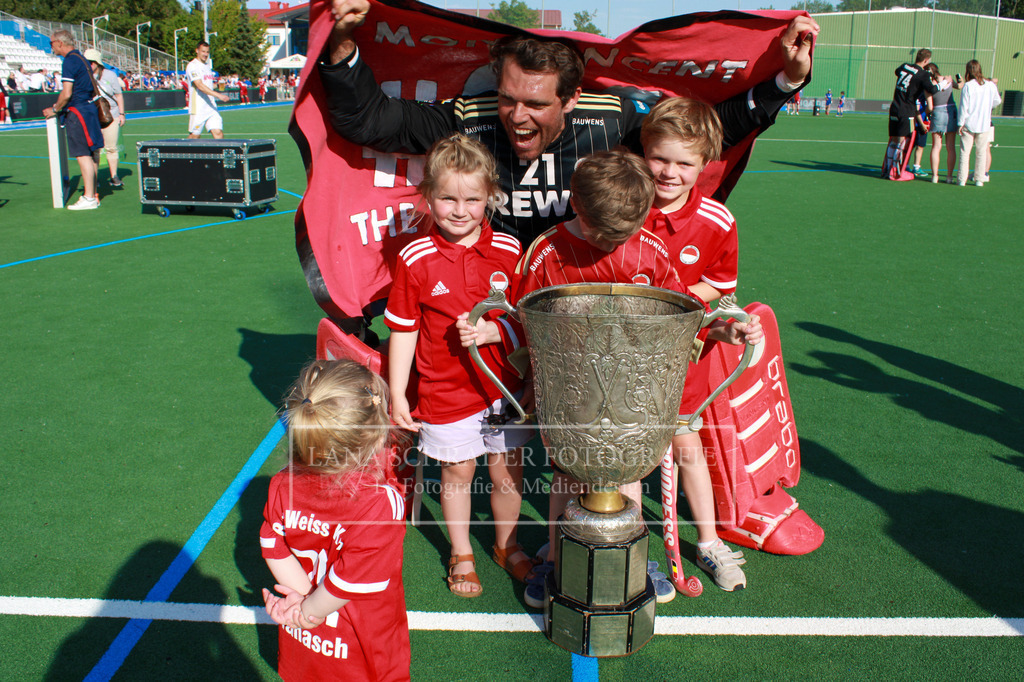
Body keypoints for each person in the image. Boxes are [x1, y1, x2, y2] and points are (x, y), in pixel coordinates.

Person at [459, 149, 761, 605]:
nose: (614, 242)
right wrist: (491, 330)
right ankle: (558, 562)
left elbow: (680, 316)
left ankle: (632, 564)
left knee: (629, 475)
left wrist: (725, 329)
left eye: (627, 231)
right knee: (564, 475)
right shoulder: (546, 251)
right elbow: (521, 317)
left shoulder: (651, 249)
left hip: (631, 391)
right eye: (604, 233)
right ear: (576, 205)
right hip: (571, 391)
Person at [321, 0, 819, 243]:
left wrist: (785, 82)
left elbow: (702, 131)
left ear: (571, 99)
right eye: (508, 98)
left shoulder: (613, 119)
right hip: (495, 287)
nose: (517, 117)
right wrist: (342, 42)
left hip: (578, 285)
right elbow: (370, 122)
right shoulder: (469, 119)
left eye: (536, 105)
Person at [385, 134, 536, 598]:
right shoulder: (415, 258)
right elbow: (404, 329)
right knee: (457, 473)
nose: (459, 209)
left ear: (490, 195)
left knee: (507, 469)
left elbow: (527, 321)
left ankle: (505, 544)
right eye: (447, 197)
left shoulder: (510, 251)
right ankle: (460, 551)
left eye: (472, 198)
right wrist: (396, 392)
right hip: (445, 391)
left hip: (504, 390)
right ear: (428, 196)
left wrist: (499, 339)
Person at [640, 96, 764, 592]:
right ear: (644, 148)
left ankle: (708, 539)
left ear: (706, 164)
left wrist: (687, 304)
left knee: (688, 448)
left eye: (684, 163)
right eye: (660, 158)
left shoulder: (716, 221)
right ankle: (631, 548)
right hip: (624, 360)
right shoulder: (623, 205)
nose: (670, 172)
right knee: (632, 456)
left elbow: (721, 285)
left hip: (685, 359)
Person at [260, 359, 411, 682]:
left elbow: (272, 545)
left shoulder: (282, 483)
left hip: (304, 640)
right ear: (374, 437)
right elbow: (351, 580)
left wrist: (302, 601)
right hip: (359, 643)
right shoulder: (380, 505)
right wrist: (309, 612)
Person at [42, 30, 103, 210]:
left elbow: (67, 93)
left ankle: (89, 197)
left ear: (60, 43)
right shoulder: (81, 58)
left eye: (51, 43)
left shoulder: (70, 60)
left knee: (82, 154)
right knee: (90, 154)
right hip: (88, 108)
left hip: (79, 111)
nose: (51, 47)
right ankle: (92, 194)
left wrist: (55, 109)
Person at [882, 48, 937, 180]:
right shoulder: (923, 74)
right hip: (907, 110)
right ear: (926, 60)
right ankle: (897, 172)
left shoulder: (904, 66)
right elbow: (932, 89)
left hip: (895, 107)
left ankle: (887, 168)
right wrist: (944, 84)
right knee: (903, 141)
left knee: (893, 139)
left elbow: (897, 72)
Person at [84, 49, 126, 189]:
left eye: (91, 62)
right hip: (92, 116)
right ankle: (94, 178)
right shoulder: (84, 75)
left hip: (111, 114)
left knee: (111, 147)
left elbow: (118, 95)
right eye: (87, 62)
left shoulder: (110, 75)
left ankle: (114, 176)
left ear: (97, 63)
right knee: (94, 149)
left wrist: (122, 114)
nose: (89, 65)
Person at [957, 59, 1001, 188]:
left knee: (965, 152)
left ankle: (961, 179)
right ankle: (979, 179)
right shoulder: (990, 85)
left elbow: (963, 107)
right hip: (984, 124)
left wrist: (960, 123)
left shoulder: (968, 86)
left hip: (969, 124)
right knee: (981, 152)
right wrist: (987, 107)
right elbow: (997, 101)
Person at [186, 42, 229, 139]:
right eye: (203, 51)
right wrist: (219, 95)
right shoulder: (192, 66)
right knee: (194, 136)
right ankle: (182, 152)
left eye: (207, 52)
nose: (205, 54)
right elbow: (199, 85)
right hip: (198, 107)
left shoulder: (207, 66)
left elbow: (207, 84)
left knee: (218, 132)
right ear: (197, 51)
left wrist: (217, 85)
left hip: (210, 106)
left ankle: (221, 153)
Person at [924, 63, 957, 184]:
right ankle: (949, 176)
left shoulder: (928, 86)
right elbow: (960, 85)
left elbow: (930, 107)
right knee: (951, 146)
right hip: (950, 111)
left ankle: (935, 176)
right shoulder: (948, 80)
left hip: (937, 112)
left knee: (936, 146)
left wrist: (924, 113)